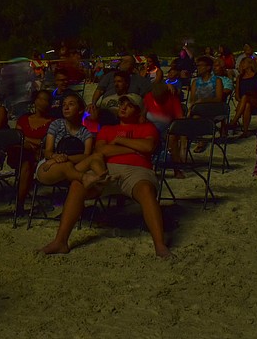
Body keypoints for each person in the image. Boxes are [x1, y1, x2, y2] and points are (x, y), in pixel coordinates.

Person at [40, 96, 170, 258]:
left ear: (138, 111)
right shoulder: (107, 130)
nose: (123, 107)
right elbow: (102, 151)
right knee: (78, 184)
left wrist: (119, 140)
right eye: (122, 104)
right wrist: (134, 148)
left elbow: (148, 146)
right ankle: (60, 241)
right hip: (106, 169)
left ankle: (159, 244)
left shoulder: (147, 128)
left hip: (137, 170)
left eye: (129, 106)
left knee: (146, 189)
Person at [35, 94, 107, 188]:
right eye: (64, 105)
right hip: (49, 167)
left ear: (80, 110)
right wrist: (54, 157)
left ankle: (106, 180)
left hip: (74, 168)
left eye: (71, 104)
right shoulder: (56, 124)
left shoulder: (85, 132)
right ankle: (85, 178)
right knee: (67, 165)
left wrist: (66, 157)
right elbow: (48, 152)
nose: (66, 107)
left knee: (97, 156)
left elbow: (86, 156)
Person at [13, 89, 53, 215]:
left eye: (45, 99)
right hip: (18, 153)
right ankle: (19, 203)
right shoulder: (24, 119)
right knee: (25, 153)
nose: (41, 102)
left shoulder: (52, 123)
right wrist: (32, 143)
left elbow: (46, 143)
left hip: (37, 156)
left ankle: (19, 203)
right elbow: (16, 137)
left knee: (27, 164)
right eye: (39, 98)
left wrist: (25, 139)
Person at [229, 56, 257, 137]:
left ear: (250, 64)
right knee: (247, 104)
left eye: (243, 63)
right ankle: (245, 132)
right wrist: (242, 100)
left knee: (246, 97)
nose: (241, 65)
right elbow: (237, 96)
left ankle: (234, 121)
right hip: (245, 103)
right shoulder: (240, 77)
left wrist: (254, 94)